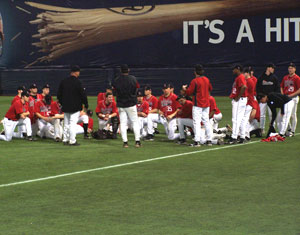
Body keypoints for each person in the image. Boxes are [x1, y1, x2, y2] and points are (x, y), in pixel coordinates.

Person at [182, 64, 213, 147]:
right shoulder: (206, 79)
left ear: (195, 72)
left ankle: (197, 141)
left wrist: (185, 89)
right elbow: (210, 88)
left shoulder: (194, 81)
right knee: (206, 121)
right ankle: (209, 140)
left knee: (197, 122)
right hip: (206, 104)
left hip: (198, 104)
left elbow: (189, 92)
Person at [57, 65, 88, 146]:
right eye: (78, 72)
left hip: (66, 107)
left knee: (66, 123)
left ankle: (65, 139)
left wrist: (62, 102)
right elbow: (83, 95)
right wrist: (86, 104)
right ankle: (72, 141)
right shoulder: (78, 82)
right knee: (72, 124)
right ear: (76, 72)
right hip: (75, 107)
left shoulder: (64, 81)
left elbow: (59, 94)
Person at [112, 64, 141, 148]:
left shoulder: (116, 80)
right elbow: (137, 88)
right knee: (135, 122)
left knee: (123, 123)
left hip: (121, 104)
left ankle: (125, 142)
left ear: (121, 71)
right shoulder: (133, 79)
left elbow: (114, 91)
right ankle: (137, 142)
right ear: (128, 70)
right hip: (131, 103)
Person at [256, 63, 280, 134]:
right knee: (262, 114)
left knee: (271, 114)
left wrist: (275, 97)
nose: (273, 69)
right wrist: (260, 97)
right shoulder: (261, 77)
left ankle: (272, 128)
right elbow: (258, 88)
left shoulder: (274, 78)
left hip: (271, 99)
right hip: (263, 99)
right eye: (272, 68)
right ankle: (261, 129)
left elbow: (277, 89)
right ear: (268, 68)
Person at [227, 64, 248, 144]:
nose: (233, 70)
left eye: (234, 69)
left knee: (235, 119)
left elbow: (244, 87)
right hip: (242, 100)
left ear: (238, 69)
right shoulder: (240, 77)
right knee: (240, 119)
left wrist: (238, 97)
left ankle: (234, 137)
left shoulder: (240, 77)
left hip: (240, 100)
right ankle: (242, 136)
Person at [280, 63, 300, 137]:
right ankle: (289, 128)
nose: (290, 69)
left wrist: (291, 95)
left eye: (291, 68)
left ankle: (293, 131)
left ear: (294, 69)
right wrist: (283, 95)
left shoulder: (297, 78)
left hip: (293, 98)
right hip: (286, 98)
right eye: (289, 68)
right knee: (285, 114)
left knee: (292, 114)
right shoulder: (285, 77)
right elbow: (281, 86)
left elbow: (299, 89)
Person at [238, 68, 255, 143]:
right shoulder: (249, 81)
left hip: (248, 102)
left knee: (243, 119)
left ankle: (243, 135)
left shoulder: (249, 81)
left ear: (247, 73)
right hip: (249, 102)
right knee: (245, 119)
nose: (243, 75)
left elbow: (247, 93)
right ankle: (247, 135)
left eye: (244, 73)